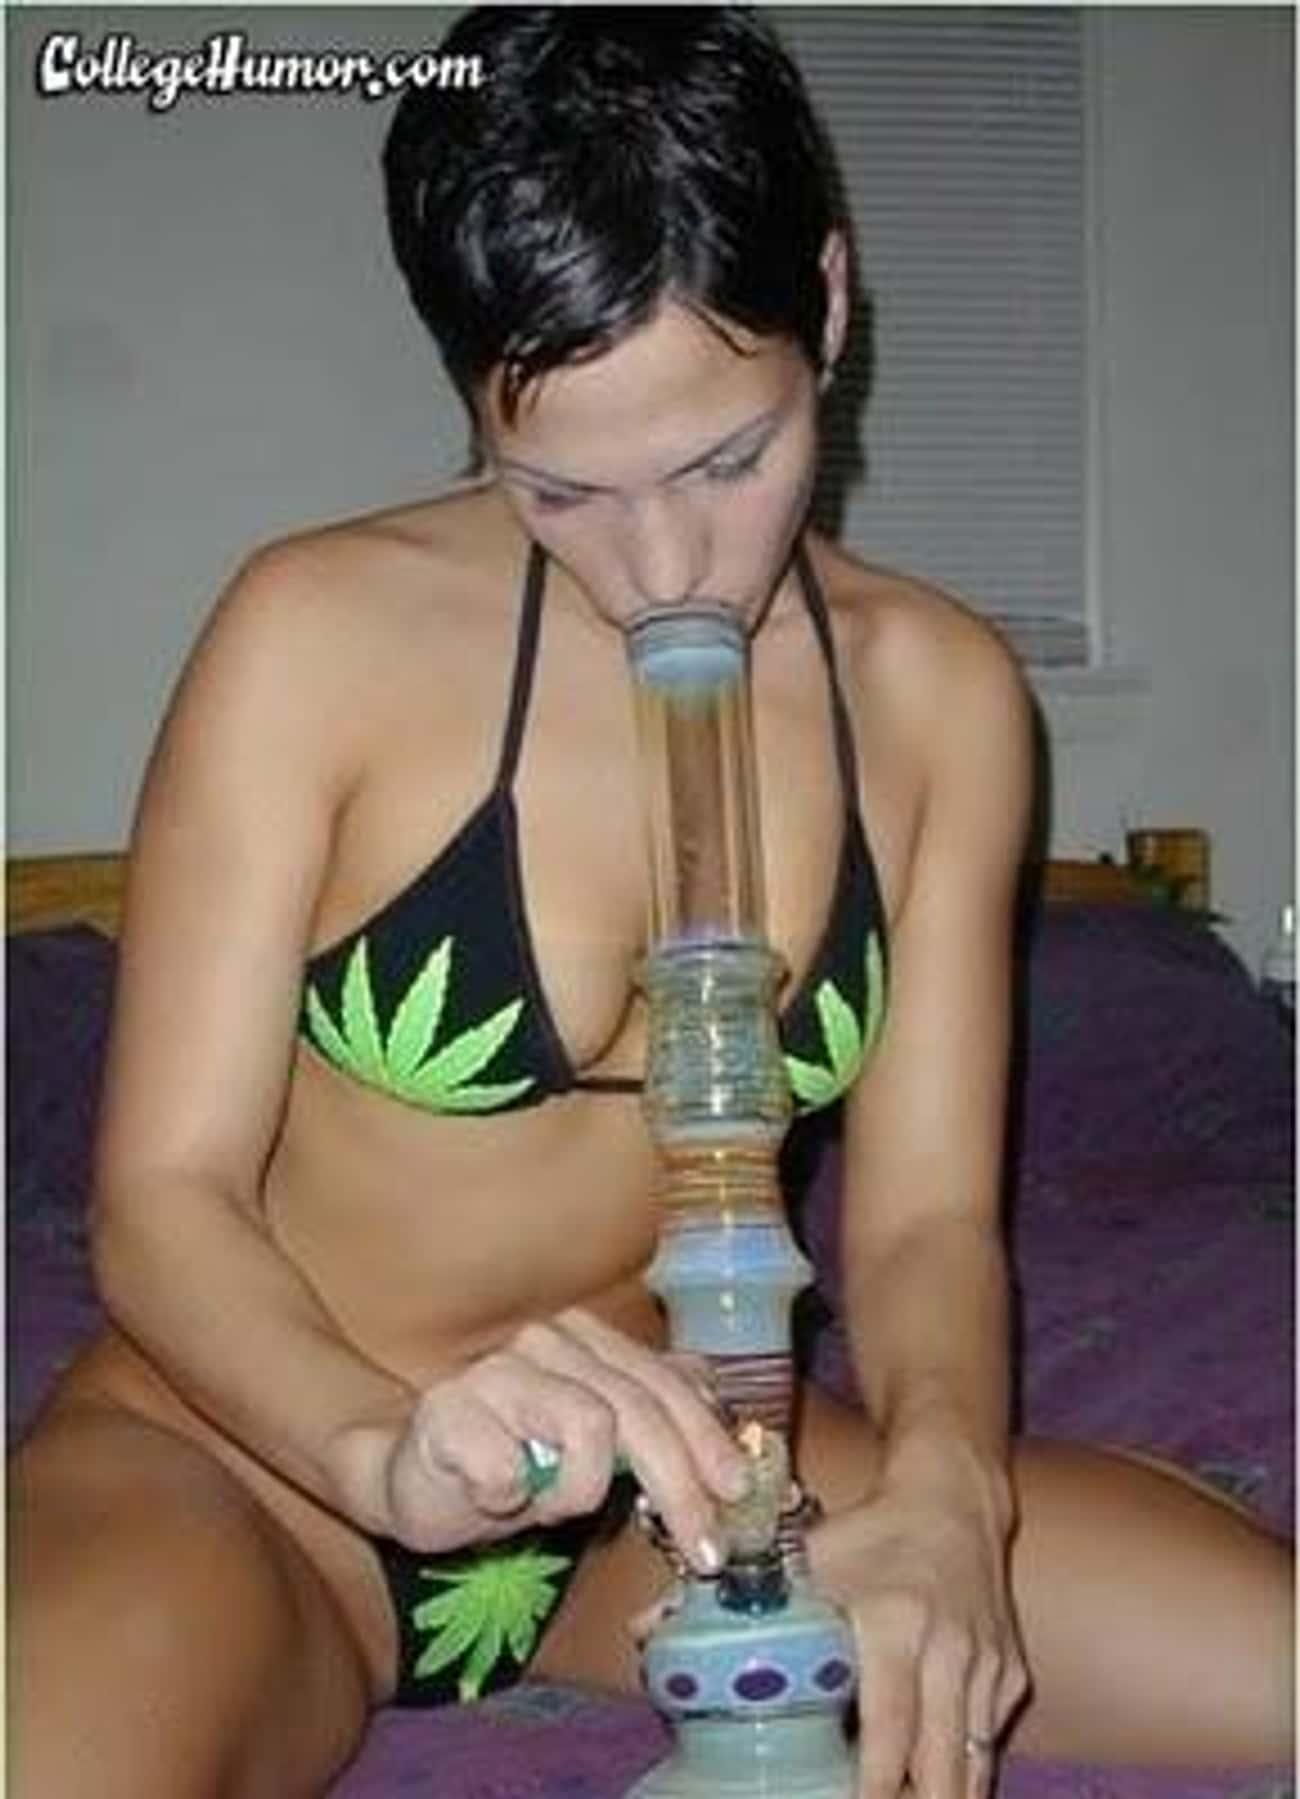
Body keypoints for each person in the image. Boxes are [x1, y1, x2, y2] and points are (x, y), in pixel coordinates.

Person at [11, 10, 1292, 1798]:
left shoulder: (938, 700)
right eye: (563, 491)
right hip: (267, 1469)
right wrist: (380, 1453)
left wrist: (945, 1498)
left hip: (692, 1486)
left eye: (726, 462)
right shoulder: (315, 640)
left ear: (826, 304)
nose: (665, 567)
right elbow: (163, 1201)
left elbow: (924, 1228)